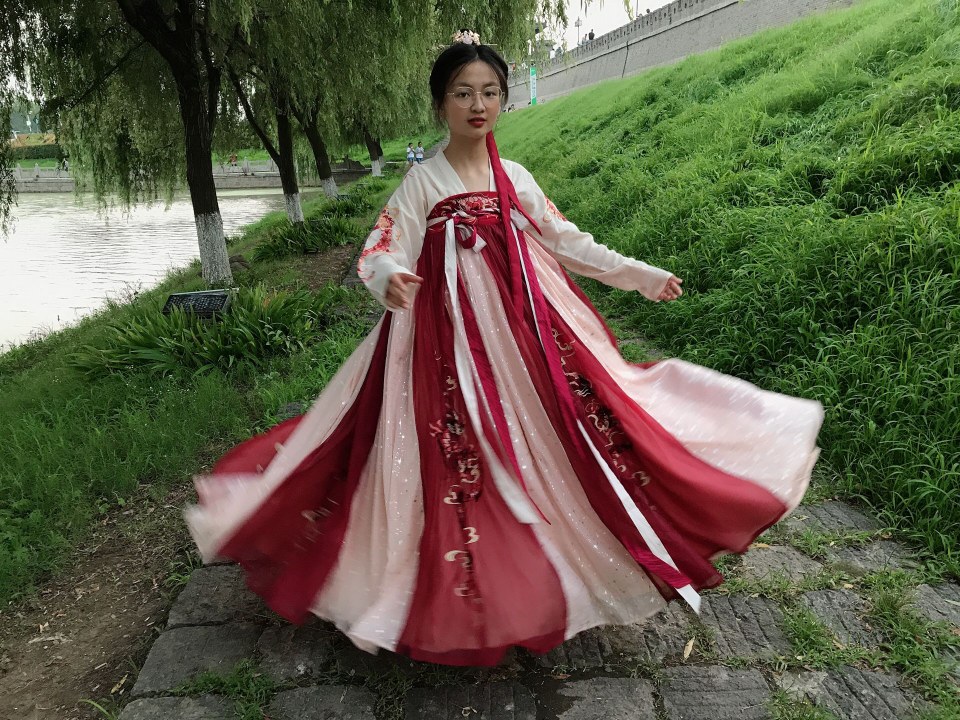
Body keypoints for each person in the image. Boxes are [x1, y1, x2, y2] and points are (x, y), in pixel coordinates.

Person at [186, 31, 823, 667]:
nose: (478, 105)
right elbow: (381, 248)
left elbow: (568, 241)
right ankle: (454, 575)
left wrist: (640, 275)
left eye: (489, 92)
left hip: (521, 336)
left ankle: (565, 552)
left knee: (564, 430)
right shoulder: (421, 183)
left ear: (504, 100)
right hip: (439, 345)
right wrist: (390, 277)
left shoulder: (513, 177)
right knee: (445, 448)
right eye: (463, 93)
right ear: (441, 102)